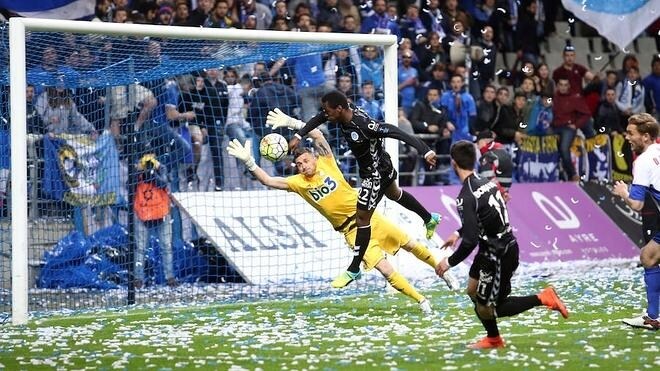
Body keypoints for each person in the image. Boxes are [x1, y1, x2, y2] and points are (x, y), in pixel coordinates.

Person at [226, 128, 459, 313]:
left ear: (314, 158)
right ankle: (421, 300)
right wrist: (249, 162)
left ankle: (443, 272)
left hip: (370, 217)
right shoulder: (297, 183)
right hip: (351, 231)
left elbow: (317, 134)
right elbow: (267, 180)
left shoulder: (327, 162)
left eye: (306, 161)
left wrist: (294, 125)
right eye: (298, 164)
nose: (303, 166)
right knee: (385, 269)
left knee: (411, 245)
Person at [269, 90, 441, 288]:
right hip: (384, 165)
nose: (326, 114)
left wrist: (425, 150)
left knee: (362, 219)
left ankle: (354, 268)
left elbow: (397, 132)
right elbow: (319, 118)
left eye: (328, 110)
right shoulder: (341, 113)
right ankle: (430, 218)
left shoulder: (365, 126)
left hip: (374, 175)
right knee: (394, 194)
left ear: (339, 109)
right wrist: (298, 134)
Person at [435, 141, 569, 349]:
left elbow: (470, 241)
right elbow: (488, 215)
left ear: (453, 163)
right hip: (491, 246)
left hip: (498, 253)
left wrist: (448, 262)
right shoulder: (487, 182)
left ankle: (541, 299)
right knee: (472, 290)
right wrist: (458, 232)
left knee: (487, 308)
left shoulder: (466, 196)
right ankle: (491, 330)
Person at [611, 113, 660, 330]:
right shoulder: (657, 150)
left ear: (646, 136)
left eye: (631, 133)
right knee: (648, 257)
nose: (627, 137)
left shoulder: (642, 162)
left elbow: (637, 205)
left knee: (648, 257)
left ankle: (654, 316)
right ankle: (654, 316)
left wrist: (623, 192)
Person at [133, 153, 177, 288]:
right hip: (142, 214)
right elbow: (130, 186)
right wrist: (139, 171)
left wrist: (153, 172)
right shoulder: (135, 172)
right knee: (140, 249)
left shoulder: (161, 169)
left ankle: (170, 278)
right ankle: (138, 279)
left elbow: (163, 183)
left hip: (161, 213)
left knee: (166, 247)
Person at [475, 130, 513, 201]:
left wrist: (501, 192)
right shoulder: (504, 152)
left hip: (493, 196)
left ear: (483, 141)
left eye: (478, 143)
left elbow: (487, 178)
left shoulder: (488, 156)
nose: (478, 147)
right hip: (504, 194)